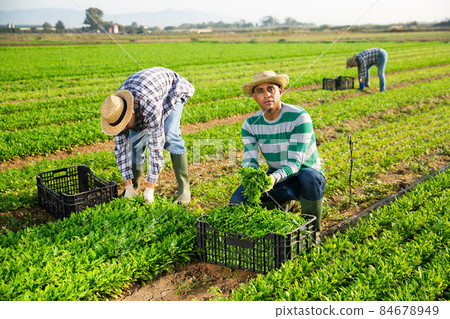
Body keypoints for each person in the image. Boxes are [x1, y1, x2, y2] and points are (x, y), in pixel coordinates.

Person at [229, 71, 326, 232]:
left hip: (305, 177)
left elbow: (295, 163)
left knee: (309, 177)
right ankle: (285, 202)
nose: (266, 95)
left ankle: (312, 230)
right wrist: (252, 177)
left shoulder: (299, 117)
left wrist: (271, 180)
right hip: (279, 179)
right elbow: (250, 160)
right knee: (238, 200)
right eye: (260, 91)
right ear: (254, 97)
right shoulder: (250, 124)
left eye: (271, 89)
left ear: (280, 91)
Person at [100, 67, 195, 205]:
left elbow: (156, 148)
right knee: (135, 143)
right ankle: (134, 187)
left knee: (170, 135)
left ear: (131, 112)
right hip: (146, 91)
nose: (123, 129)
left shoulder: (149, 105)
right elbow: (121, 151)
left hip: (172, 90)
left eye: (125, 125)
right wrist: (128, 186)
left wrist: (150, 189)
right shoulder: (114, 110)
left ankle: (184, 189)